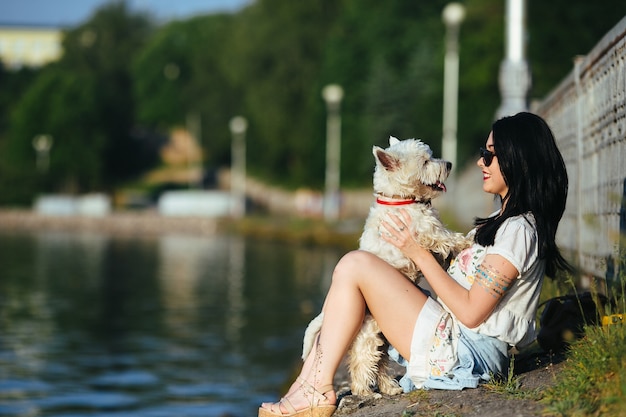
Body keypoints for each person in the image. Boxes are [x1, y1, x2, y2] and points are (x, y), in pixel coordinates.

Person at [258, 112, 572, 417]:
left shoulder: (519, 231)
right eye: (482, 153)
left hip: (468, 353)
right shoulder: (500, 223)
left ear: (520, 163)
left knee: (354, 264)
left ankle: (315, 389)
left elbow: (472, 312)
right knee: (353, 272)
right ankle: (306, 386)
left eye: (491, 156)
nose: (480, 163)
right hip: (456, 340)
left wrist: (416, 250)